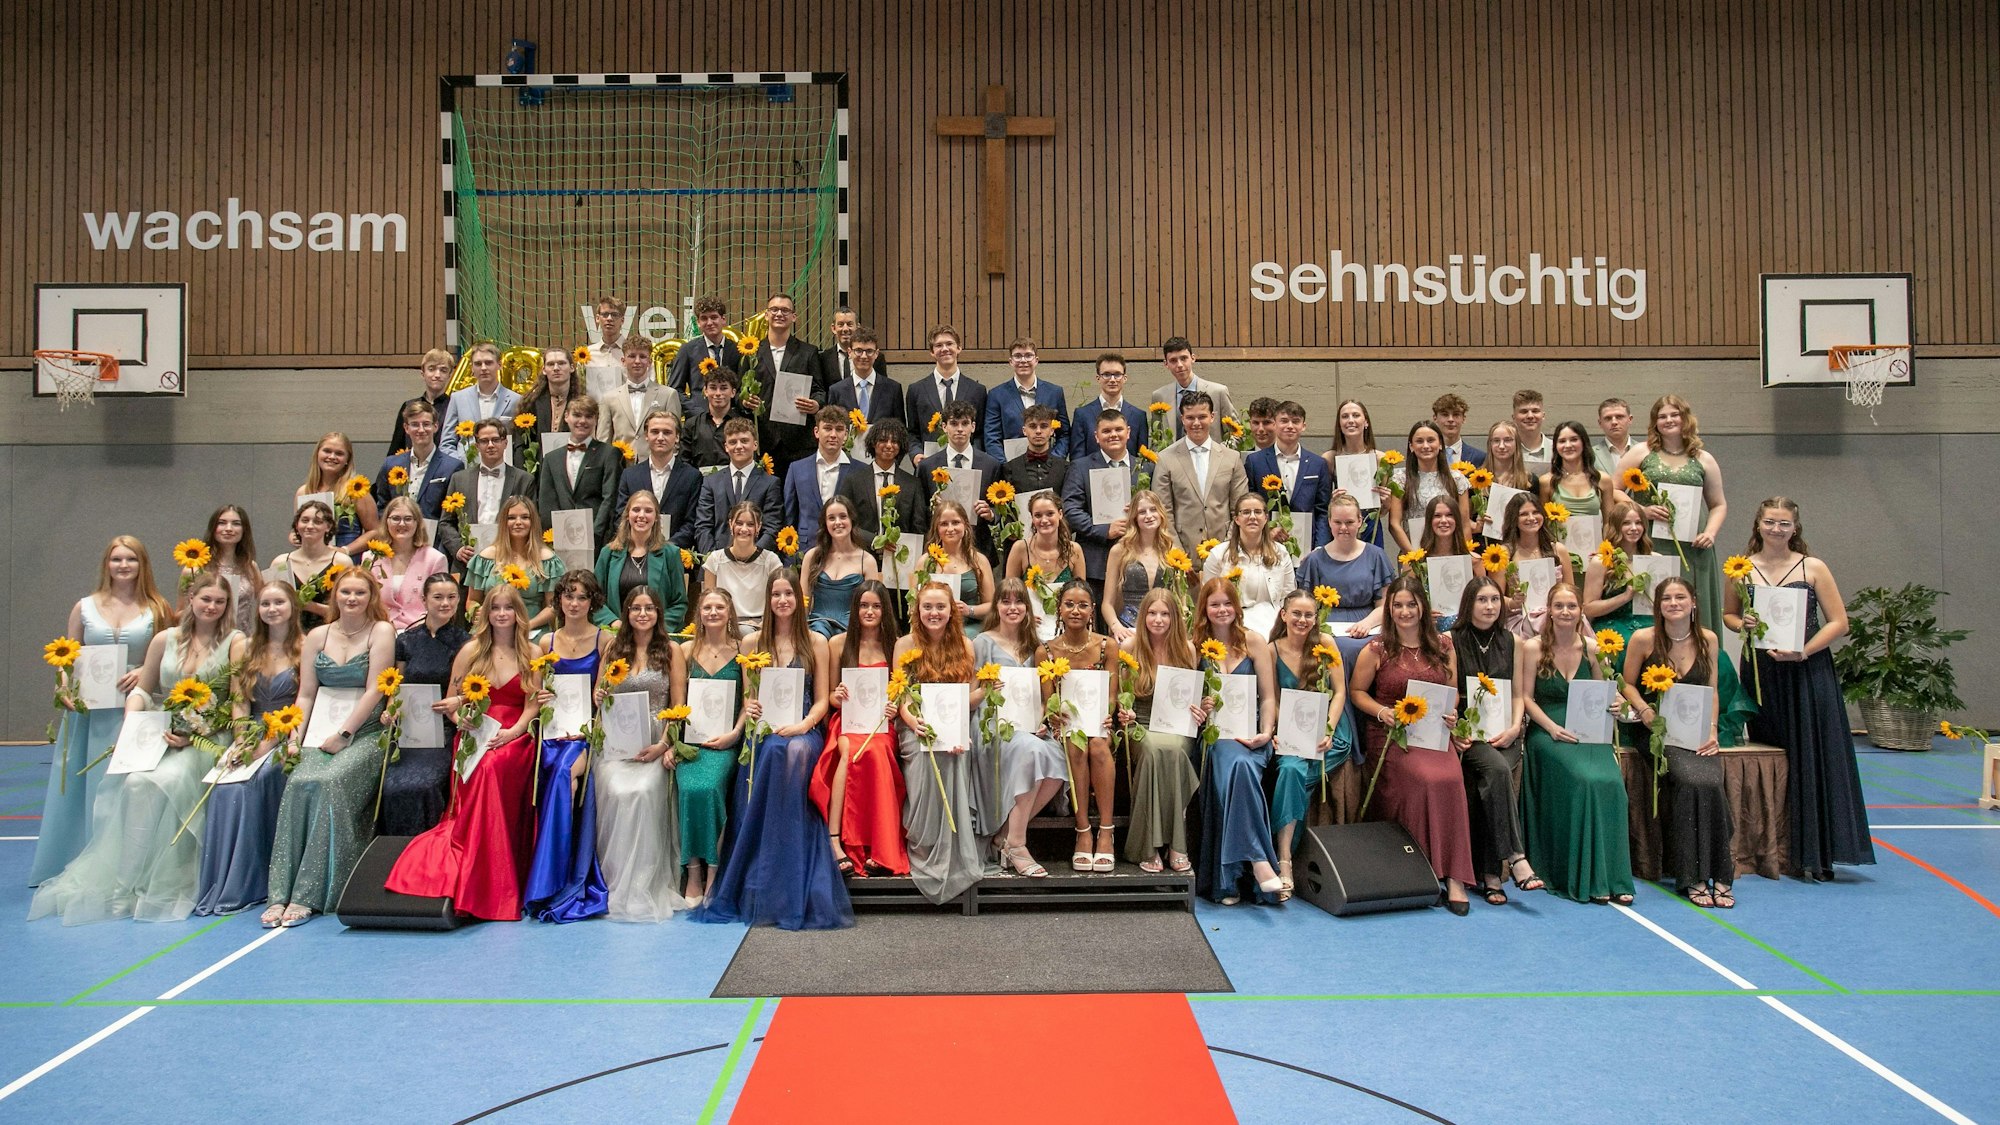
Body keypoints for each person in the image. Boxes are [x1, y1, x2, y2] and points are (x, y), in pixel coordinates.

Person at [31, 573, 242, 924]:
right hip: (161, 732)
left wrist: (202, 735)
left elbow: (236, 699)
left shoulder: (236, 642)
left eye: (220, 602)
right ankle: (125, 884)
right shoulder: (165, 639)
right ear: (191, 599)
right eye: (206, 599)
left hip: (208, 739)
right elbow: (143, 691)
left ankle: (164, 882)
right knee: (134, 784)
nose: (212, 607)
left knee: (169, 780)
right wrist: (132, 724)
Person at [1723, 497, 1874, 881]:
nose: (1777, 529)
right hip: (1762, 672)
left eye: (1784, 524)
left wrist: (1803, 651)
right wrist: (1746, 626)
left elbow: (1839, 622)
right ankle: (1777, 849)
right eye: (1770, 522)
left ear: (1795, 528)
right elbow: (1729, 616)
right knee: (1772, 759)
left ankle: (1815, 851)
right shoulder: (1740, 569)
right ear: (1758, 524)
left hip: (1808, 671)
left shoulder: (1814, 567)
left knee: (1812, 755)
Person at [698, 569, 851, 929]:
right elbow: (750, 698)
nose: (783, 600)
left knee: (793, 751)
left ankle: (788, 862)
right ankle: (764, 867)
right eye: (776, 594)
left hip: (804, 726)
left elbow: (821, 703)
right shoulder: (752, 644)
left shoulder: (816, 642)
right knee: (772, 751)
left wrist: (802, 725)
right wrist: (750, 711)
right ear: (768, 601)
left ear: (800, 599)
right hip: (765, 730)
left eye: (789, 594)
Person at [385, 584, 541, 921]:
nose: (502, 614)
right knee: (483, 765)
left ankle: (497, 872)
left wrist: (513, 732)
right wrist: (461, 722)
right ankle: (479, 865)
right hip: (475, 733)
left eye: (508, 608)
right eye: (495, 607)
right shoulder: (471, 652)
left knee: (495, 766)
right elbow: (451, 701)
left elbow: (531, 706)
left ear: (518, 613)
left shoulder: (532, 650)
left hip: (515, 734)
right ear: (486, 613)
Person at [33, 537, 174, 886]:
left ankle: (125, 867)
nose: (123, 565)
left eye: (131, 559)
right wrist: (63, 683)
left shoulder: (158, 608)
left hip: (135, 710)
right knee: (82, 786)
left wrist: (144, 671)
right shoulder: (84, 607)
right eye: (116, 559)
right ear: (106, 565)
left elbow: (167, 657)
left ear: (143, 565)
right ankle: (75, 860)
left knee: (125, 786)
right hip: (90, 713)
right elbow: (68, 654)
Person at [264, 568, 396, 927]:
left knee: (329, 782)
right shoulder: (317, 636)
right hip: (316, 734)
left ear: (371, 597)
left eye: (360, 593)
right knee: (297, 783)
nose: (352, 599)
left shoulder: (380, 631)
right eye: (346, 592)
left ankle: (310, 893)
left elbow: (375, 690)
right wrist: (294, 738)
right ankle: (281, 892)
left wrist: (345, 734)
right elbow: (306, 693)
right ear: (335, 595)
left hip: (365, 735)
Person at [1617, 576, 1746, 909]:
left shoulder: (1709, 640)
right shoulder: (1643, 640)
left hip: (1698, 732)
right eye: (1666, 599)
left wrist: (1713, 730)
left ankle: (1720, 873)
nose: (1673, 603)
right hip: (1657, 733)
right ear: (1658, 606)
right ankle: (1692, 876)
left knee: (1712, 782)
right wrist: (1645, 711)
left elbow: (1713, 691)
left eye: (1680, 597)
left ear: (1693, 603)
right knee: (1689, 781)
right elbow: (1626, 684)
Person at [1350, 573, 1475, 914]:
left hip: (1434, 734)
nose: (1405, 611)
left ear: (1423, 606)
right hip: (1392, 735)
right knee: (1424, 779)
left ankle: (1455, 877)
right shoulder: (1376, 649)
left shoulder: (1444, 645)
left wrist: (1452, 716)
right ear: (1389, 609)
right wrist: (1381, 713)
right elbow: (1357, 693)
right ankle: (1422, 871)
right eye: (1398, 605)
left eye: (1411, 604)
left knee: (1449, 779)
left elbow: (1453, 692)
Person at [1517, 581, 1634, 904]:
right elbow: (1525, 698)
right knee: (1582, 780)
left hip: (1588, 729)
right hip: (1548, 731)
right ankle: (1580, 875)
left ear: (1581, 611)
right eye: (1559, 606)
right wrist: (1552, 728)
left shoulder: (1594, 649)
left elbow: (1608, 691)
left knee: (1611, 783)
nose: (1566, 612)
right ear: (1549, 611)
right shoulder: (1532, 648)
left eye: (1572, 606)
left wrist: (1616, 703)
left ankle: (1613, 875)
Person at [195, 581, 301, 916]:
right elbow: (239, 700)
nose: (272, 609)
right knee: (224, 788)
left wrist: (268, 743)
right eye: (265, 603)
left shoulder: (304, 646)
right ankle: (226, 881)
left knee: (259, 780)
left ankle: (261, 880)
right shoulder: (247, 648)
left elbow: (302, 702)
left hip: (288, 732)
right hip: (251, 732)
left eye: (279, 602)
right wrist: (242, 739)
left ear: (292, 606)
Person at [594, 587, 687, 920]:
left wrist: (664, 744)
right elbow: (598, 696)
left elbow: (677, 706)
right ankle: (619, 881)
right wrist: (601, 693)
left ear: (659, 612)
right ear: (626, 613)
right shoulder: (614, 648)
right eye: (636, 608)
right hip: (619, 741)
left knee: (645, 791)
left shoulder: (671, 650)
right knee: (617, 790)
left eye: (649, 608)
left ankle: (646, 883)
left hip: (657, 737)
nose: (643, 614)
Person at [1190, 577, 1284, 905]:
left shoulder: (1255, 643)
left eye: (1227, 603)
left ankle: (1228, 878)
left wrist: (1268, 731)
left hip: (1252, 735)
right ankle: (1258, 863)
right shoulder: (1194, 645)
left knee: (1244, 764)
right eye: (1214, 604)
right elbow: (1184, 698)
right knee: (1236, 766)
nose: (1222, 610)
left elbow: (1269, 698)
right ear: (1204, 608)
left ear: (1237, 606)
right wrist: (1199, 707)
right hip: (1214, 737)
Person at [523, 572, 610, 922]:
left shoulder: (605, 641)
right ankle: (546, 872)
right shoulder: (545, 644)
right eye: (569, 596)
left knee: (564, 776)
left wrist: (599, 699)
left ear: (592, 603)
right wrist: (540, 696)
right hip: (551, 733)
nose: (574, 603)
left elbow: (603, 702)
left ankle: (559, 880)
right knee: (544, 771)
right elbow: (533, 695)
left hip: (585, 734)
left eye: (582, 597)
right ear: (559, 600)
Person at [1453, 577, 1545, 904]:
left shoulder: (1513, 641)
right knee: (1497, 773)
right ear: (1469, 604)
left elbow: (1519, 694)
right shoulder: (1452, 640)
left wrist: (1515, 727)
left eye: (1495, 600)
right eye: (1482, 600)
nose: (1490, 606)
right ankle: (1515, 858)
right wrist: (1458, 730)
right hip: (1469, 736)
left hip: (1505, 733)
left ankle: (1491, 874)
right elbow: (1450, 693)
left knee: (1489, 783)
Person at [896, 581, 987, 903]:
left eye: (940, 607)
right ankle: (923, 844)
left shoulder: (966, 644)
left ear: (952, 611)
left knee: (955, 756)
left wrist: (988, 688)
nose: (934, 613)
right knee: (923, 761)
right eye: (927, 607)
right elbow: (901, 695)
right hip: (916, 727)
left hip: (953, 727)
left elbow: (970, 698)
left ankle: (955, 851)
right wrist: (912, 721)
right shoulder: (904, 643)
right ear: (917, 611)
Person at [971, 579, 1069, 877]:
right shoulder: (981, 642)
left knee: (1056, 760)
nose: (1012, 608)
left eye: (1019, 602)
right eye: (1005, 602)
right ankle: (1017, 843)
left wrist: (1042, 719)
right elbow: (969, 697)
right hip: (992, 723)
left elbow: (1043, 696)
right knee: (1030, 751)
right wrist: (987, 690)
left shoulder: (1036, 646)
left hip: (1029, 725)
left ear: (1027, 607)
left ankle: (1003, 835)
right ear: (996, 606)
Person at [815, 579, 912, 876]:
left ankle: (881, 847)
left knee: (878, 751)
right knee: (851, 752)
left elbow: (900, 691)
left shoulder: (895, 645)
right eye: (864, 605)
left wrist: (894, 708)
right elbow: (830, 696)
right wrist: (838, 695)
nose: (870, 611)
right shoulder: (838, 643)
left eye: (876, 606)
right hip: (846, 720)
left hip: (881, 724)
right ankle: (835, 839)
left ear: (885, 610)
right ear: (855, 608)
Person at [1617, 395, 1729, 637]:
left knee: (1692, 607)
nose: (1668, 420)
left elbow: (1718, 504)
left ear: (1685, 418)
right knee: (1653, 600)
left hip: (1693, 547)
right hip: (1651, 544)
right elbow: (1613, 489)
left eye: (1674, 414)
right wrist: (1641, 511)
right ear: (1654, 422)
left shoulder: (1703, 458)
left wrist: (1710, 533)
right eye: (1662, 416)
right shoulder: (1641, 452)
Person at [1268, 589, 1355, 897]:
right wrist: (1279, 727)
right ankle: (1286, 859)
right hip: (1291, 732)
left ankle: (1279, 858)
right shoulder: (1272, 651)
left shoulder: (1326, 643)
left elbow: (1339, 692)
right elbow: (1273, 699)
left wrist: (1328, 728)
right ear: (1284, 615)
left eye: (1308, 614)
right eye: (1296, 614)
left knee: (1291, 778)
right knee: (1291, 771)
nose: (1302, 620)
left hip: (1329, 734)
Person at [1116, 588, 1202, 874]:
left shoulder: (1187, 649)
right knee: (1153, 751)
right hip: (1138, 722)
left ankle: (1177, 844)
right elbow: (1118, 694)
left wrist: (1201, 708)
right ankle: (1148, 847)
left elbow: (1190, 696)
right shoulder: (1129, 648)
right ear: (1143, 617)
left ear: (1175, 617)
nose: (1158, 619)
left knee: (1176, 751)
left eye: (1165, 613)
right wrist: (1123, 710)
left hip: (1176, 724)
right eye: (1152, 613)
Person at [672, 589, 748, 904]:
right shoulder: (685, 651)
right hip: (692, 743)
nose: (713, 612)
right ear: (699, 613)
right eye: (707, 607)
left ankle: (715, 869)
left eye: (719, 607)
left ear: (730, 612)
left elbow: (749, 701)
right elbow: (676, 704)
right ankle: (692, 870)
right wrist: (673, 743)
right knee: (689, 788)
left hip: (726, 742)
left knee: (711, 787)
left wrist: (734, 734)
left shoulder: (744, 649)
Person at [1039, 580, 1118, 871]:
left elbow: (1111, 694)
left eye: (1082, 605)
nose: (1075, 610)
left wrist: (1108, 713)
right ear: (1059, 609)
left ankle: (1106, 831)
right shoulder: (1046, 651)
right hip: (1066, 727)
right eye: (1069, 604)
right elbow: (1048, 702)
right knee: (1076, 744)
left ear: (1092, 610)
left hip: (1098, 722)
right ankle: (1083, 830)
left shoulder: (1107, 646)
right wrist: (1055, 714)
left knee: (1096, 744)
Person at [383, 574, 465, 836]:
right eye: (438, 597)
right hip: (409, 730)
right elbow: (396, 684)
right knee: (390, 785)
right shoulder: (406, 640)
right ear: (424, 600)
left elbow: (469, 689)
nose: (445, 603)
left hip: (443, 728)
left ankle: (428, 848)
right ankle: (392, 851)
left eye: (451, 597)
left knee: (426, 785)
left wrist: (458, 700)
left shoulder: (467, 641)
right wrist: (390, 709)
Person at [1296, 492, 1395, 668]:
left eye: (1349, 522)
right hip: (1326, 629)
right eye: (1337, 522)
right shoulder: (1315, 560)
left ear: (1360, 521)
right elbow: (1305, 607)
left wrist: (1366, 624)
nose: (1343, 528)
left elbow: (1385, 605)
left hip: (1369, 625)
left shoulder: (1376, 556)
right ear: (1329, 522)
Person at [1154, 390, 1248, 557]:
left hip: (1225, 549)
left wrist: (1227, 548)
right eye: (1190, 418)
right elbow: (1163, 511)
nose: (1196, 423)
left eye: (1202, 417)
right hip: (1183, 550)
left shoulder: (1232, 458)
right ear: (1182, 419)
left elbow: (1239, 509)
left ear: (1212, 417)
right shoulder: (1165, 459)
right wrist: (1177, 554)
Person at [436, 419, 534, 571]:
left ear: (505, 443)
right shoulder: (459, 479)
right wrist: (458, 548)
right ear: (477, 446)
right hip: (467, 562)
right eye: (484, 441)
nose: (490, 445)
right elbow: (445, 522)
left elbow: (532, 522)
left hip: (509, 560)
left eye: (495, 440)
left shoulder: (524, 479)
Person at [741, 291, 823, 467]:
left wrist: (815, 405)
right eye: (775, 309)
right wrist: (746, 402)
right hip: (762, 441)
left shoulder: (808, 352)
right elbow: (738, 394)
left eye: (785, 310)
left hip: (799, 443)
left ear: (793, 317)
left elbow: (820, 391)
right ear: (766, 314)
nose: (779, 314)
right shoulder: (751, 352)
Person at [1059, 409, 1139, 587]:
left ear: (1128, 432)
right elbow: (1070, 510)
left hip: (1136, 560)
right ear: (1096, 436)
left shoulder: (1145, 468)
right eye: (1106, 431)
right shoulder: (1080, 467)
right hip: (1095, 563)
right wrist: (1104, 530)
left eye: (1118, 429)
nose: (1113, 435)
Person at [466, 495, 567, 635]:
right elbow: (472, 600)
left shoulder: (548, 560)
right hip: (490, 631)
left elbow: (553, 605)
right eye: (511, 518)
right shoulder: (485, 557)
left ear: (533, 522)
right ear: (503, 522)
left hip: (531, 631)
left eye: (525, 517)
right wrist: (476, 611)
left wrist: (526, 626)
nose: (518, 522)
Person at [591, 490, 689, 633]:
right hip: (616, 634)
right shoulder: (608, 553)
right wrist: (613, 622)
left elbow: (679, 603)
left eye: (648, 511)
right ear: (627, 515)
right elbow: (595, 597)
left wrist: (656, 628)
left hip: (657, 636)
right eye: (636, 510)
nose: (641, 515)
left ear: (656, 517)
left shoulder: (671, 554)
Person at [1244, 400, 1333, 552]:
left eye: (1296, 421)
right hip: (1267, 544)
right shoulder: (1254, 461)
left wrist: (1320, 547)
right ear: (1275, 424)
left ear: (1303, 426)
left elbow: (1323, 511)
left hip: (1308, 548)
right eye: (1284, 421)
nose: (1290, 426)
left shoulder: (1318, 464)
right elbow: (1249, 506)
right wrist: (1264, 534)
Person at [538, 394, 624, 548]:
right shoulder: (551, 458)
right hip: (561, 538)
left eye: (588, 416)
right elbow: (547, 502)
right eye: (577, 415)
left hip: (598, 537)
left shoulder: (609, 453)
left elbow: (609, 497)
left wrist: (595, 533)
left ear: (596, 419)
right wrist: (556, 533)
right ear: (566, 416)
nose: (582, 421)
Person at [1202, 492, 1291, 638]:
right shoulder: (1218, 555)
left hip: (1274, 625)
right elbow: (1208, 599)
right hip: (1233, 625)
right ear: (1236, 519)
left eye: (1257, 512)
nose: (1252, 517)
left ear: (1266, 518)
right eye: (1246, 512)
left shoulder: (1281, 553)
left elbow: (1288, 597)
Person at [918, 400, 1002, 552]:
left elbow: (1000, 509)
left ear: (973, 427)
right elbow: (919, 510)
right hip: (940, 547)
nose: (960, 429)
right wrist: (932, 507)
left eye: (965, 423)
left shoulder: (991, 465)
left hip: (980, 546)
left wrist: (990, 514)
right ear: (944, 427)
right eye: (954, 424)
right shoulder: (927, 466)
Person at [1006, 491, 1088, 643]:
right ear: (1032, 518)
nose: (1044, 520)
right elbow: (1008, 593)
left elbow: (1082, 595)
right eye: (1038, 515)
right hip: (1027, 627)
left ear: (1060, 514)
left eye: (1050, 514)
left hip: (1066, 627)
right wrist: (1024, 614)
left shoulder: (1074, 550)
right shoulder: (1020, 548)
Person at [832, 418, 928, 547]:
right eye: (883, 440)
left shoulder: (913, 484)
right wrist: (874, 541)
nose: (889, 445)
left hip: (899, 558)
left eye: (894, 441)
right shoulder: (854, 480)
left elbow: (919, 527)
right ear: (873, 443)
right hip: (861, 553)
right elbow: (844, 520)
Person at [616, 409, 702, 549]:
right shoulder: (629, 475)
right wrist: (640, 545)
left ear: (677, 437)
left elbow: (692, 521)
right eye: (655, 432)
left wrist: (667, 547)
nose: (660, 437)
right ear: (646, 436)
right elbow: (621, 516)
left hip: (677, 554)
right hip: (636, 551)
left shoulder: (692, 476)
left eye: (667, 432)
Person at [694, 418, 782, 553]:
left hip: (756, 563)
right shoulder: (711, 482)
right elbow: (703, 526)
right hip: (717, 561)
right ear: (726, 447)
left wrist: (753, 557)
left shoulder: (770, 483)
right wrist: (714, 559)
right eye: (733, 442)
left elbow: (771, 527)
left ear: (755, 445)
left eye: (744, 441)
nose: (739, 446)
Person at [1581, 500, 1659, 648]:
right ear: (1616, 526)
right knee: (1631, 643)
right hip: (1613, 626)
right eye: (1626, 523)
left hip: (1650, 623)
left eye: (1639, 523)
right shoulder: (1601, 562)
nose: (1634, 528)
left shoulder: (1656, 560)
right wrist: (1624, 597)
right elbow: (1589, 608)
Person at [1386, 420, 1471, 555]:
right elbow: (1394, 524)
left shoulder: (1457, 479)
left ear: (1441, 444)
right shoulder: (1400, 479)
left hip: (1451, 556)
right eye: (1419, 441)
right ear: (1411, 446)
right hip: (1413, 554)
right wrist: (1414, 558)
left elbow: (1465, 523)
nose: (1426, 446)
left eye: (1431, 440)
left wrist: (1462, 556)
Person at [366, 496, 451, 631]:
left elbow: (440, 604)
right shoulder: (371, 558)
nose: (401, 524)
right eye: (395, 518)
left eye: (408, 519)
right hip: (378, 629)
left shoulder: (435, 559)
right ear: (386, 522)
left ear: (418, 523)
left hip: (421, 631)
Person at [801, 496, 880, 638]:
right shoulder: (812, 557)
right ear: (825, 523)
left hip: (852, 630)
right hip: (816, 627)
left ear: (852, 520)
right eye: (831, 518)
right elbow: (803, 602)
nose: (838, 522)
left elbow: (873, 605)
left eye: (843, 516)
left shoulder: (867, 561)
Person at [1101, 489, 1174, 643]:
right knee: (1127, 644)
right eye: (1142, 512)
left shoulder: (1171, 551)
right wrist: (1116, 627)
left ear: (1161, 513)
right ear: (1134, 517)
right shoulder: (1119, 551)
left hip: (1163, 625)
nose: (1149, 516)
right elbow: (1107, 603)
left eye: (1153, 509)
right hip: (1129, 627)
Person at [702, 501, 785, 636]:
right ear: (730, 524)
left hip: (761, 627)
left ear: (758, 527)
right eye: (739, 523)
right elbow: (707, 602)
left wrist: (762, 625)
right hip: (723, 625)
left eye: (750, 524)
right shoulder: (715, 560)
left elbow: (777, 602)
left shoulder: (771, 561)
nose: (744, 529)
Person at [1498, 491, 1577, 632]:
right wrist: (1513, 602)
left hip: (1558, 618)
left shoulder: (1558, 550)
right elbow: (1496, 597)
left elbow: (1572, 591)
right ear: (1513, 519)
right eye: (1523, 514)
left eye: (1536, 512)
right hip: (1521, 620)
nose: (1531, 518)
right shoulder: (1503, 553)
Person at [903, 324, 987, 455]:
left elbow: (980, 433)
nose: (945, 349)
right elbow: (912, 432)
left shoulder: (977, 391)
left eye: (949, 344)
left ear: (959, 348)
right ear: (932, 352)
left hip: (967, 464)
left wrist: (975, 458)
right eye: (938, 345)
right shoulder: (916, 390)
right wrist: (916, 454)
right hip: (928, 464)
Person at [374, 399, 463, 521]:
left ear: (435, 426)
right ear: (406, 428)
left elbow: (452, 516)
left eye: (426, 424)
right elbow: (382, 507)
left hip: (434, 538)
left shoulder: (452, 467)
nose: (421, 430)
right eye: (415, 424)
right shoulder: (390, 465)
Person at [269, 501, 354, 625]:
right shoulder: (280, 562)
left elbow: (350, 609)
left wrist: (311, 607)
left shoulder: (341, 562)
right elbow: (270, 605)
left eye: (317, 522)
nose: (310, 526)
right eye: (304, 520)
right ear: (297, 525)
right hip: (289, 634)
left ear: (328, 527)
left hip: (330, 633)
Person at [984, 336, 1070, 457]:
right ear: (1010, 361)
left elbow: (1064, 434)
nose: (1023, 360)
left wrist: (1055, 462)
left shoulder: (1055, 393)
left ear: (1036, 360)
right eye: (1017, 356)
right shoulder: (996, 395)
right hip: (1011, 466)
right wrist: (1005, 467)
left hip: (1049, 466)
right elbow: (992, 437)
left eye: (1028, 355)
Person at [439, 342, 524, 462]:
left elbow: (520, 442)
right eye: (478, 364)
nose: (483, 368)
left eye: (488, 363)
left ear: (499, 365)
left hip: (504, 468)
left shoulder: (516, 400)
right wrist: (459, 464)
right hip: (466, 470)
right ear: (472, 368)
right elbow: (446, 443)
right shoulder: (458, 398)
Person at [783, 404, 853, 550]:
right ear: (816, 431)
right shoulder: (797, 468)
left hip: (846, 549)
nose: (833, 435)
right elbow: (789, 516)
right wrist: (790, 557)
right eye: (827, 428)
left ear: (846, 434)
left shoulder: (859, 470)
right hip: (805, 548)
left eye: (839, 429)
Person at [1323, 399, 1390, 548]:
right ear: (1339, 424)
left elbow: (1384, 511)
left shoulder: (1381, 459)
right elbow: (1322, 506)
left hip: (1371, 527)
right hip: (1341, 528)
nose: (1351, 420)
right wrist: (1332, 500)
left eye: (1356, 415)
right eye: (1345, 416)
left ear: (1366, 422)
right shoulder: (1329, 459)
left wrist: (1386, 501)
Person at [923, 500, 994, 637]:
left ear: (966, 525)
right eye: (944, 524)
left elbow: (992, 606)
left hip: (969, 628)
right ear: (936, 528)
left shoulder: (980, 561)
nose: (950, 529)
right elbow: (914, 604)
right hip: (933, 629)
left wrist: (969, 610)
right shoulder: (926, 562)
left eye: (955, 522)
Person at [298, 432, 378, 551]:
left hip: (348, 563)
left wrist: (345, 550)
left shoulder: (357, 491)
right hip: (313, 561)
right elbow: (298, 528)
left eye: (339, 453)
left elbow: (375, 532)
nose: (332, 456)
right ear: (317, 454)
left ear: (347, 459)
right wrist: (294, 536)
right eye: (327, 451)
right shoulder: (304, 491)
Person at [598, 335, 682, 446]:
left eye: (642, 356)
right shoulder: (609, 398)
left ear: (650, 361)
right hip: (620, 462)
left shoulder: (668, 395)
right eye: (632, 356)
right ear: (623, 361)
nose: (637, 361)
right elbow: (603, 441)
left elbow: (676, 437)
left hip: (656, 462)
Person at [822, 326, 903, 430]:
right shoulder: (837, 390)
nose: (864, 356)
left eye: (869, 351)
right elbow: (831, 427)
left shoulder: (893, 389)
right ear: (850, 352)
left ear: (876, 354)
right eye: (858, 351)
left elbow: (900, 429)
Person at [1539, 419, 1618, 526]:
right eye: (1562, 441)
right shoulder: (1546, 481)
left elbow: (1609, 523)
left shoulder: (1602, 479)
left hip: (1597, 542)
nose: (1568, 445)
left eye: (1574, 439)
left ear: (1583, 442)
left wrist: (1605, 543)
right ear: (1556, 446)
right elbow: (1544, 525)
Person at [1150, 336, 1235, 435]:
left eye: (1183, 358)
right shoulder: (1159, 396)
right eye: (1173, 360)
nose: (1180, 365)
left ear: (1193, 358)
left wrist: (1219, 450)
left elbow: (1235, 433)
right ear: (1166, 364)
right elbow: (1157, 437)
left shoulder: (1218, 392)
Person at [1070, 352, 1146, 462]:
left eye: (1117, 374)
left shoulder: (1138, 416)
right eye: (1106, 374)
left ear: (1125, 378)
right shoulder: (1082, 414)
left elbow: (1141, 458)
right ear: (1098, 378)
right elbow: (1077, 458)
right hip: (1092, 476)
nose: (1112, 379)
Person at [664, 295, 742, 399]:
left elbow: (740, 389)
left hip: (730, 413)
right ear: (698, 323)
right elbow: (675, 390)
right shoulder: (687, 350)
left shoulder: (737, 350)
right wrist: (693, 410)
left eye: (714, 317)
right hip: (697, 413)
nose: (709, 323)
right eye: (704, 318)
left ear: (723, 319)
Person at [198, 504, 261, 634]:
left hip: (241, 640)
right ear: (213, 528)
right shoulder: (197, 567)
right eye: (222, 523)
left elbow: (263, 602)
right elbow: (180, 613)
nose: (228, 529)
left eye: (236, 524)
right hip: (206, 639)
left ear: (244, 530)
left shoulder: (250, 567)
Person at [682, 366, 757, 471]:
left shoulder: (745, 424)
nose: (718, 393)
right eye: (713, 387)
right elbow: (684, 462)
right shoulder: (692, 425)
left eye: (723, 388)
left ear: (733, 392)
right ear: (705, 391)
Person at [515, 347, 580, 466]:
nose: (556, 368)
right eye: (550, 364)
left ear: (572, 367)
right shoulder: (530, 403)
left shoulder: (582, 403)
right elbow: (520, 444)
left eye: (561, 363)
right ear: (544, 370)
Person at [386, 347, 455, 455]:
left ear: (450, 375)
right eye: (431, 369)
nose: (437, 375)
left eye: (443, 370)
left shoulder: (455, 406)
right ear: (423, 373)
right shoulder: (408, 406)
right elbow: (396, 447)